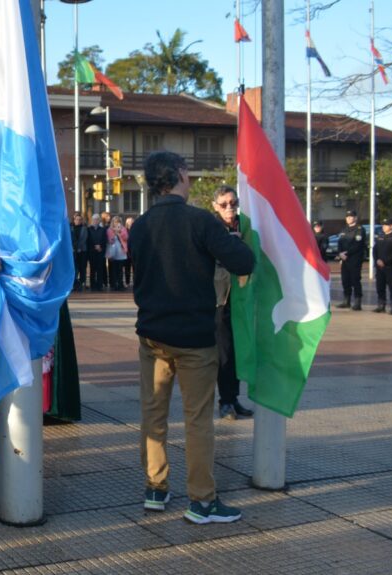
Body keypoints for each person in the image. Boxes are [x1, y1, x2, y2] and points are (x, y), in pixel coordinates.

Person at [129, 151, 254, 525]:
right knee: (197, 419)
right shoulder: (201, 221)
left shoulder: (140, 226)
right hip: (195, 338)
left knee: (153, 414)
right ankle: (202, 501)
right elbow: (244, 262)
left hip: (152, 335)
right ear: (180, 174)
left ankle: (155, 489)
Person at [211, 187, 255, 421]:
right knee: (225, 352)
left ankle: (234, 398)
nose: (230, 208)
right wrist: (229, 245)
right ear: (215, 206)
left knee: (238, 350)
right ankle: (225, 401)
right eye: (224, 204)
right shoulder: (211, 228)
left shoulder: (245, 227)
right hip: (221, 299)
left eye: (233, 203)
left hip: (242, 298)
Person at [372, 217, 392, 315]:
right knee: (380, 287)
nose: (384, 227)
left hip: (390, 267)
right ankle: (381, 305)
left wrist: (385, 261)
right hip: (380, 267)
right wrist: (377, 260)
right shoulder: (380, 236)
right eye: (383, 225)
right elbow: (375, 250)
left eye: (386, 225)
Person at [336, 209, 366, 311]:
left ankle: (357, 302)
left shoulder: (359, 229)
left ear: (355, 218)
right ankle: (346, 300)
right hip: (345, 260)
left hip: (354, 259)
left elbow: (358, 245)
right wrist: (340, 253)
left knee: (355, 280)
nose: (349, 218)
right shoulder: (344, 230)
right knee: (345, 280)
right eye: (347, 217)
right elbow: (339, 243)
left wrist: (346, 253)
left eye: (351, 217)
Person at [106, 215, 129, 291]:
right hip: (113, 252)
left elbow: (126, 238)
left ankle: (120, 284)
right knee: (113, 269)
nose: (116, 223)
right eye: (115, 221)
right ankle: (114, 284)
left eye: (118, 221)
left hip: (121, 251)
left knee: (120, 269)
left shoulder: (123, 229)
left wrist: (120, 233)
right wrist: (114, 234)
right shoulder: (109, 230)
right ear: (113, 222)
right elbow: (109, 240)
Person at [87, 214, 107, 291]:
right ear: (92, 220)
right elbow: (87, 240)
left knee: (100, 269)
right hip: (91, 252)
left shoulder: (103, 229)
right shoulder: (88, 229)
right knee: (92, 269)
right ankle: (93, 285)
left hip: (100, 252)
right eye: (94, 219)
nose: (95, 221)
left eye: (97, 219)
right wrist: (94, 246)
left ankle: (99, 285)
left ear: (99, 221)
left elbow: (105, 240)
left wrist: (100, 246)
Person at [70, 212, 89, 291]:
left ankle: (82, 283)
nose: (78, 221)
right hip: (73, 251)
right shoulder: (70, 228)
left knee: (82, 267)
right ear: (74, 220)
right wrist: (75, 248)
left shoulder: (84, 228)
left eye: (80, 219)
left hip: (82, 251)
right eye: (77, 219)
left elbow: (84, 238)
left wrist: (79, 248)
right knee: (74, 267)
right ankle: (74, 283)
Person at [123, 216, 135, 287]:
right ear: (127, 223)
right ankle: (127, 282)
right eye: (129, 222)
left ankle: (135, 282)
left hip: (134, 252)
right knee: (127, 268)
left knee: (135, 268)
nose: (131, 223)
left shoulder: (135, 230)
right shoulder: (124, 230)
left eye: (132, 222)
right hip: (127, 252)